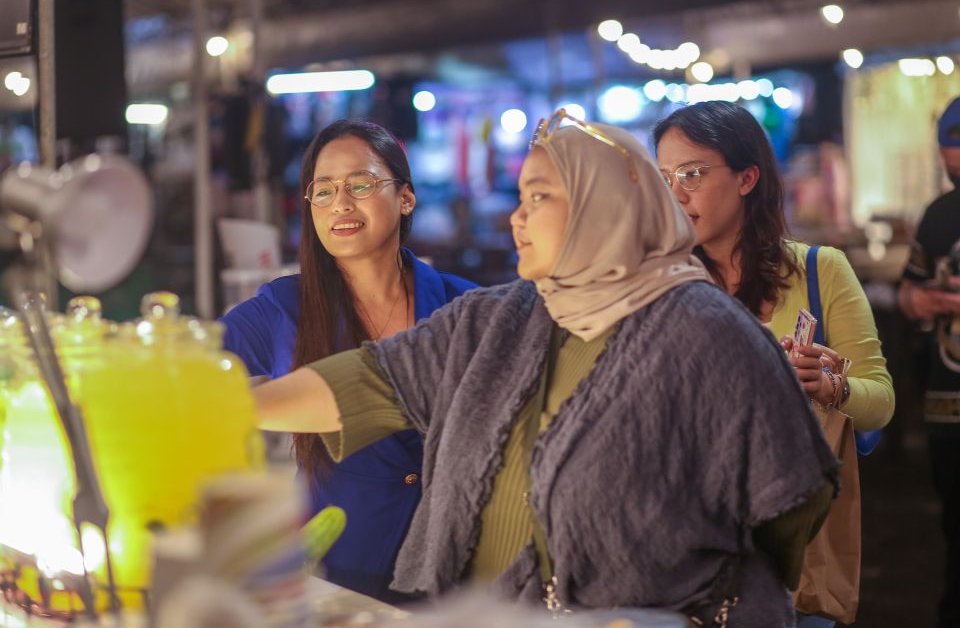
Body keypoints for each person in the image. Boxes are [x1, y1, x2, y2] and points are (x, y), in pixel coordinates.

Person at [253, 109, 838, 625]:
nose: (516, 218)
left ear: (602, 205)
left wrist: (704, 594)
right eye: (519, 198)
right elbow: (371, 379)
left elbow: (791, 502)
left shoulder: (709, 332)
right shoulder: (495, 319)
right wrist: (232, 404)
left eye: (539, 198)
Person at [654, 101, 895, 627]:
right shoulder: (660, 290)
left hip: (796, 557)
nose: (676, 193)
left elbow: (880, 402)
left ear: (747, 178)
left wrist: (833, 388)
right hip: (689, 560)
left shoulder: (819, 271)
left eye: (692, 173)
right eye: (665, 176)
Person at [219, 119, 476, 602]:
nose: (341, 203)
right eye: (323, 190)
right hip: (339, 569)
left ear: (406, 197)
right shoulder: (285, 308)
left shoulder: (465, 308)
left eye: (360, 184)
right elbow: (198, 368)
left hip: (452, 571)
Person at [897, 95, 960, 628]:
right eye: (950, 149)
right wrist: (922, 302)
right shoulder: (940, 213)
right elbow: (908, 291)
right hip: (949, 407)